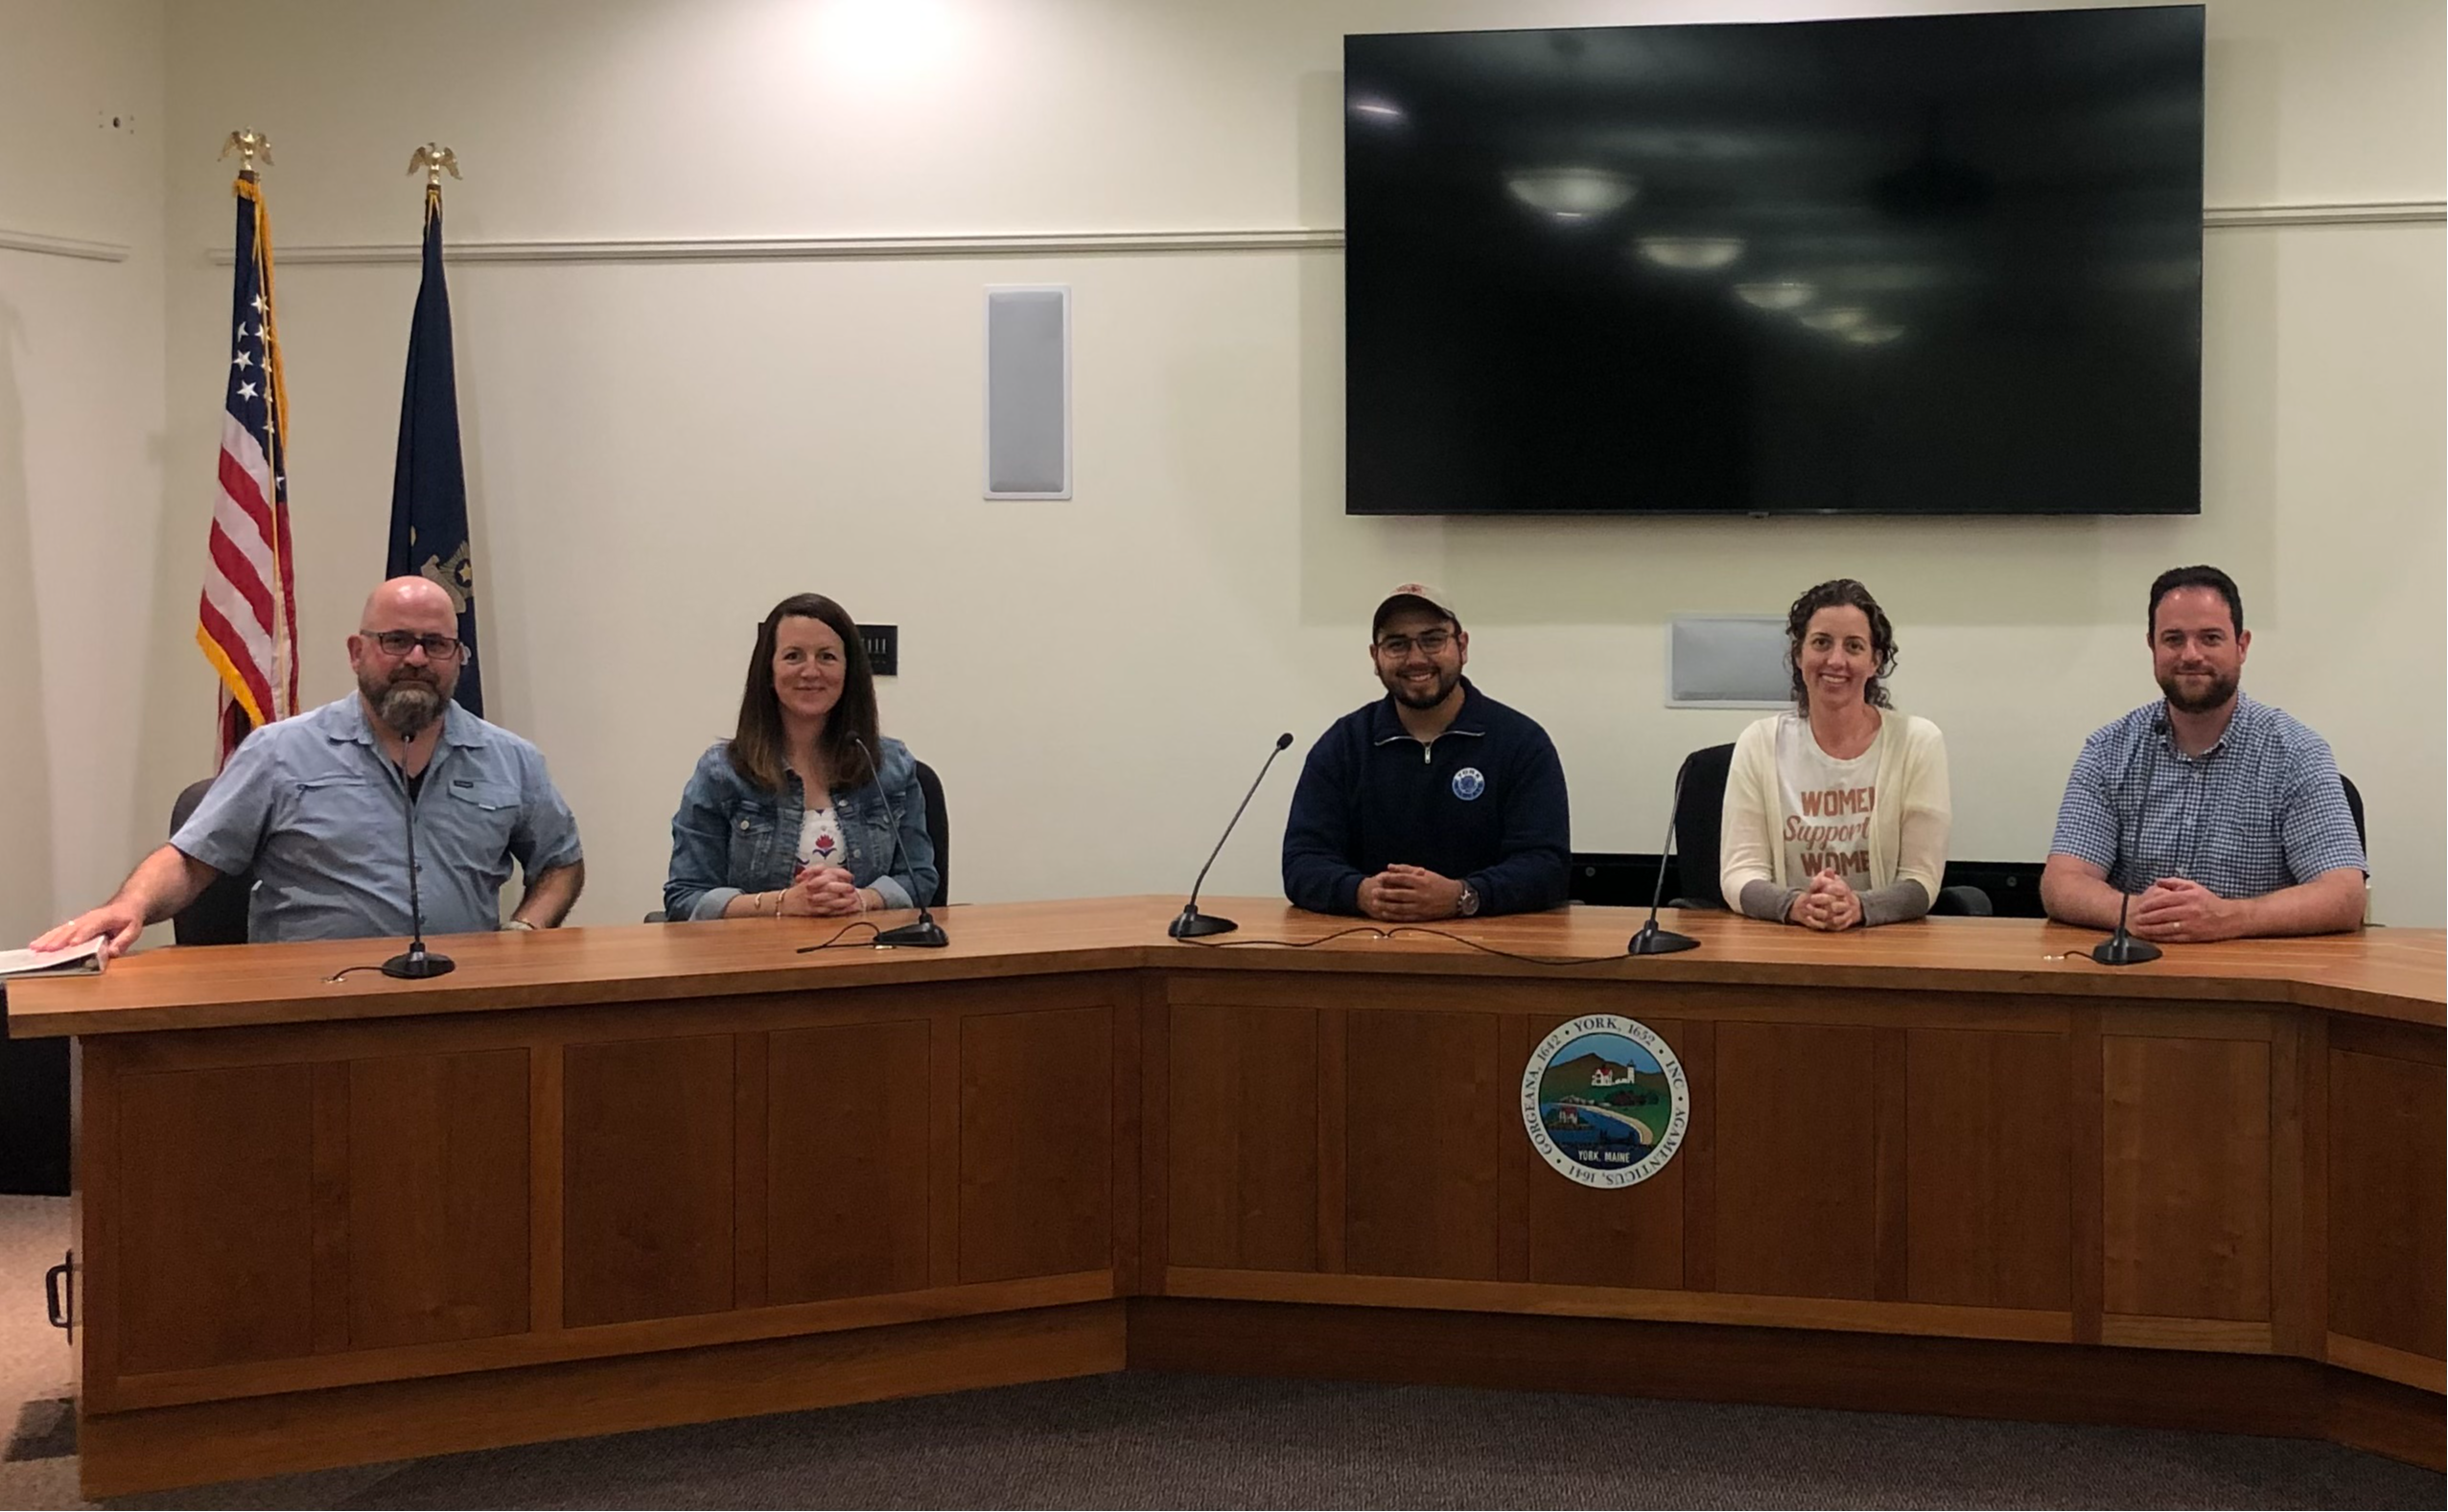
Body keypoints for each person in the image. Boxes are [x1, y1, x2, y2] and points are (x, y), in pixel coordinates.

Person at [32, 576, 584, 956]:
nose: (417, 658)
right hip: (310, 1007)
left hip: (460, 1003)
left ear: (457, 658)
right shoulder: (281, 753)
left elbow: (561, 863)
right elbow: (192, 859)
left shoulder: (511, 760)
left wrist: (523, 930)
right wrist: (128, 906)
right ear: (356, 652)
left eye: (435, 644)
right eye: (396, 640)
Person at [2041, 565, 2366, 942]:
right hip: (2135, 976)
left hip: (2255, 981)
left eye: (2210, 638)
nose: (2191, 655)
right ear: (2152, 646)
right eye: (2173, 639)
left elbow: (2344, 895)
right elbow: (2061, 883)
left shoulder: (2296, 753)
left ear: (2242, 646)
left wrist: (2232, 917)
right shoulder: (2109, 751)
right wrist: (2132, 912)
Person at [1282, 583, 1569, 921]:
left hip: (1493, 952)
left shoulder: (1521, 743)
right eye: (1397, 644)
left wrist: (1463, 895)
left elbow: (1548, 867)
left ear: (1462, 646)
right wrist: (1361, 893)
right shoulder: (1343, 745)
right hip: (1367, 949)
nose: (1416, 658)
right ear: (1376, 658)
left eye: (1432, 639)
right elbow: (1302, 861)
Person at [664, 593, 938, 921]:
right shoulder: (721, 773)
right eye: (794, 656)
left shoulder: (892, 766)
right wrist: (783, 903)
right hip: (758, 962)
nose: (811, 671)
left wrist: (862, 899)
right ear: (769, 670)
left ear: (849, 672)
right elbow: (685, 897)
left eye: (827, 657)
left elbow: (921, 879)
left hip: (869, 958)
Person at [1719, 579, 1951, 930]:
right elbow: (1739, 874)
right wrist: (1796, 905)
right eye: (1821, 643)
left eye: (1854, 646)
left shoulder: (1918, 742)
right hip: (1783, 942)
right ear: (1799, 655)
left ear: (1875, 662)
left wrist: (1858, 906)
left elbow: (1921, 882)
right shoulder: (1758, 743)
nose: (1836, 660)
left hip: (1883, 946)